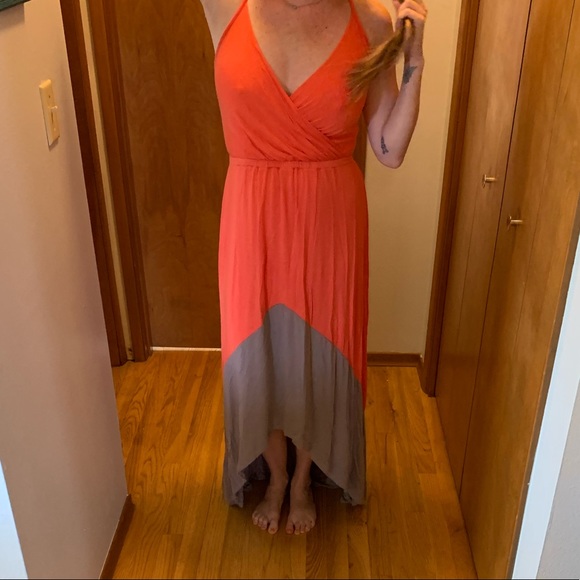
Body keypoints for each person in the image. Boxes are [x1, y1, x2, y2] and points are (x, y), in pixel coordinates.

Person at [199, 0, 427, 535]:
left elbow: (389, 148)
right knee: (257, 354)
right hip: (250, 219)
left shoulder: (370, 20)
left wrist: (414, 61)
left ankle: (303, 479)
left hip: (329, 221)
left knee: (320, 356)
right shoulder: (223, 6)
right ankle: (275, 476)